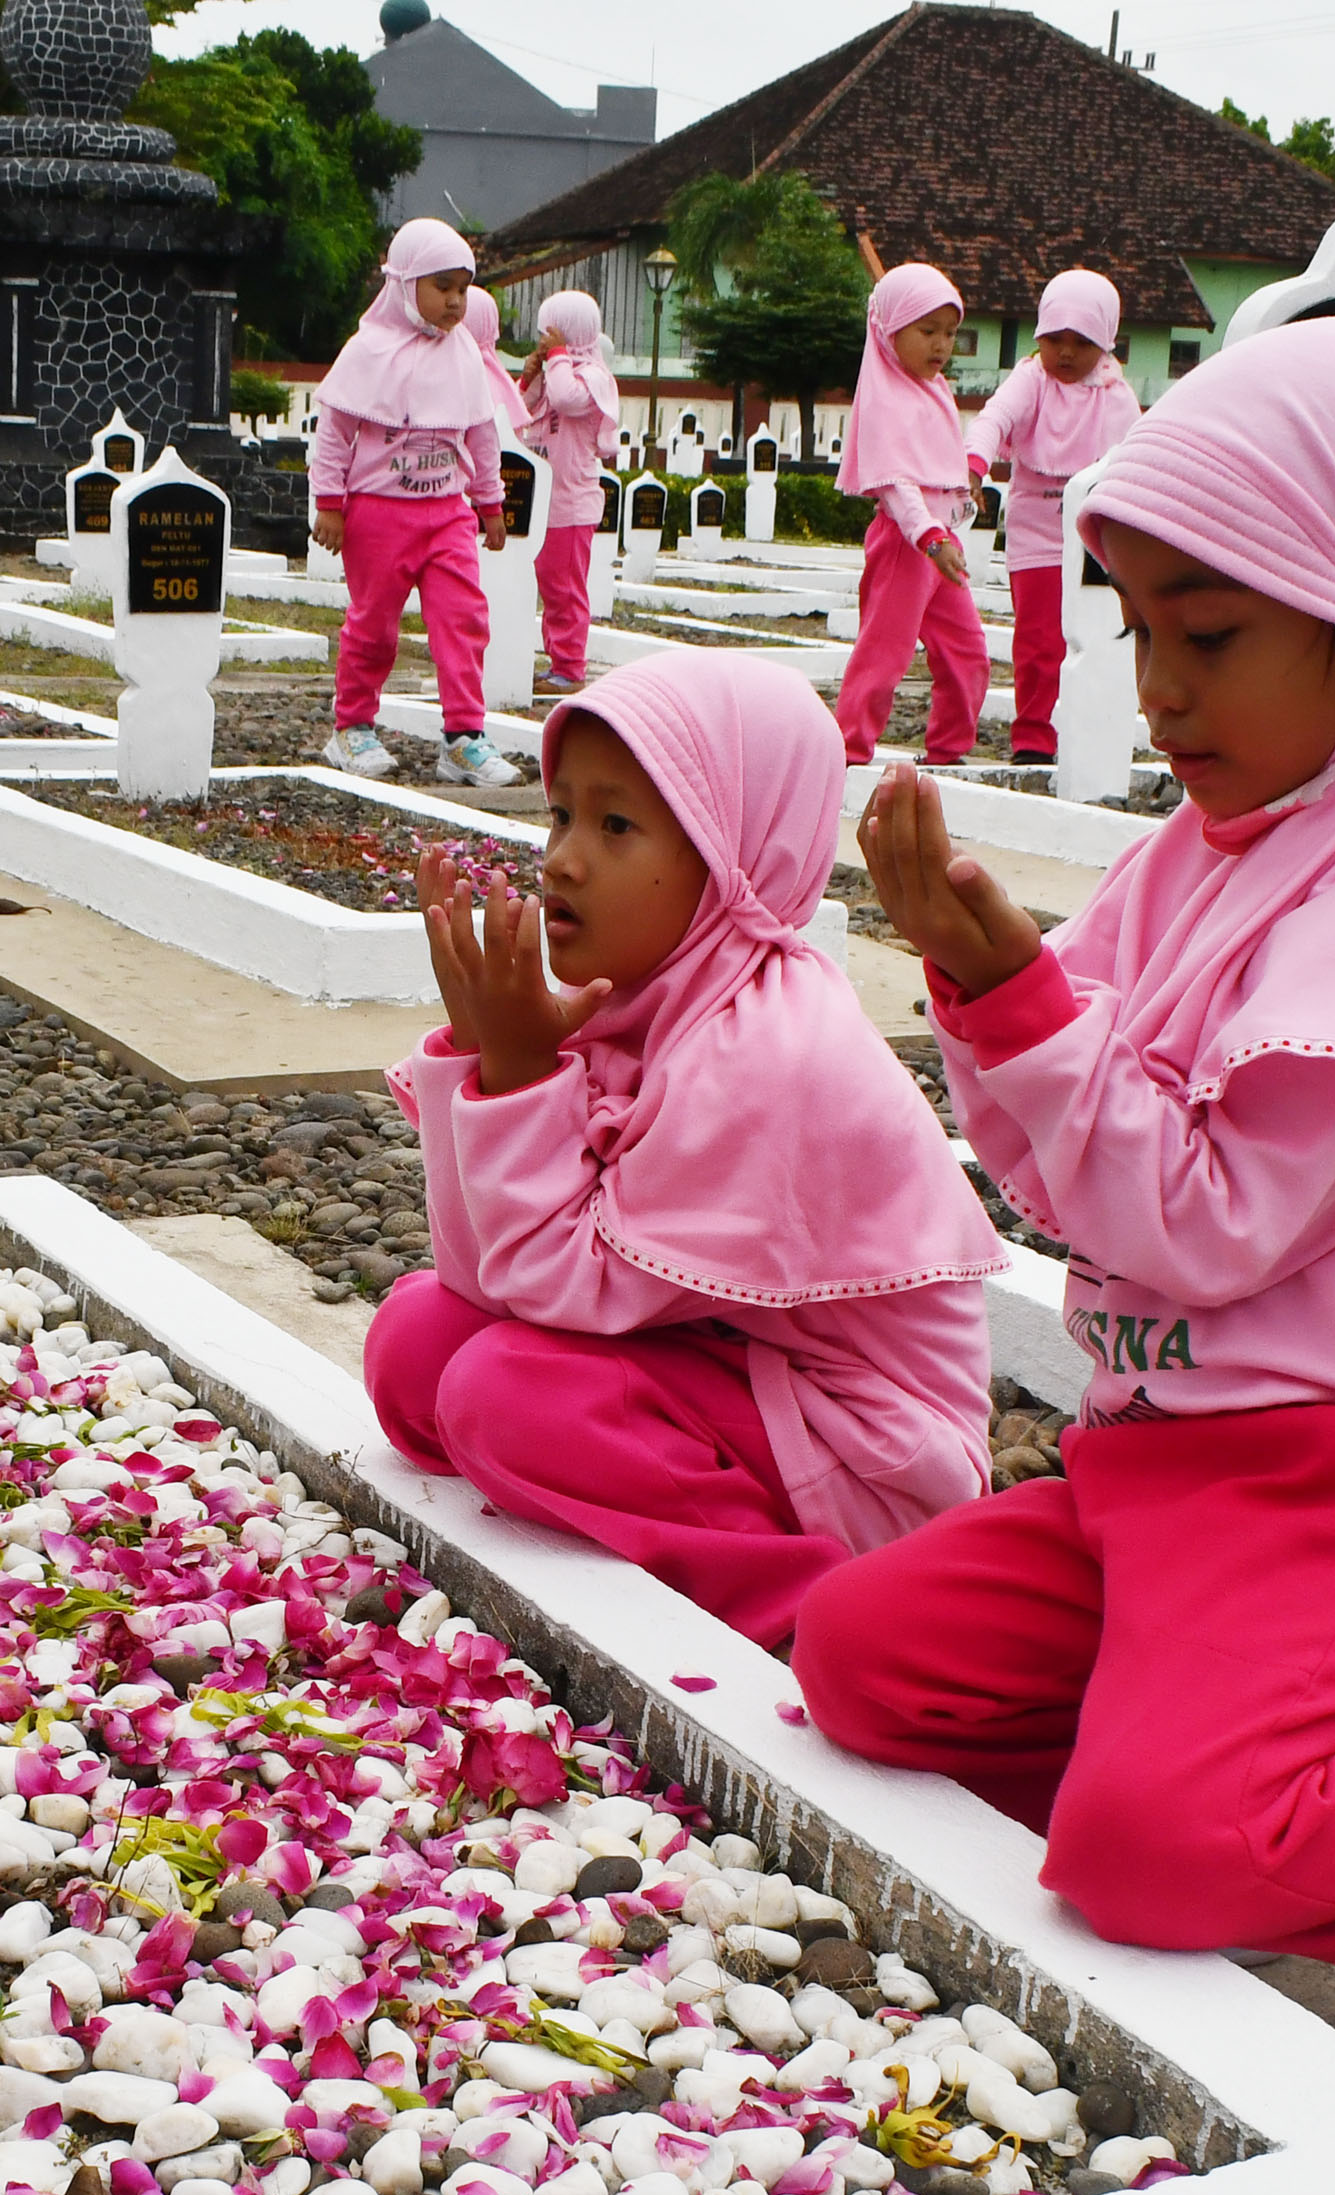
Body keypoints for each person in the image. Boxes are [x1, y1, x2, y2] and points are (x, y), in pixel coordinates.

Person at [804, 319, 1335, 2131]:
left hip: (1327, 1481)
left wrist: (1019, 1003)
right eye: (1135, 627)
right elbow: (1053, 1176)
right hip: (1148, 1466)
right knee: (862, 1662)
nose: (1164, 691)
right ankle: (1281, 1756)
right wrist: (997, 998)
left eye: (1213, 633)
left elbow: (1194, 1227)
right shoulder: (1208, 850)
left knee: (1150, 1855)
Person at [367, 649, 1004, 1650]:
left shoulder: (766, 1045)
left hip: (866, 1461)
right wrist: (486, 1058)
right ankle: (634, 1505)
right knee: (416, 1340)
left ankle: (804, 1611)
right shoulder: (643, 1000)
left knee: (503, 1393)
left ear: (731, 851)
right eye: (560, 814)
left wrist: (520, 1071)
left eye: (616, 825)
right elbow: (482, 1273)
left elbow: (548, 1287)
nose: (564, 859)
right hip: (729, 1374)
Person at [309, 218, 519, 790]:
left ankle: (464, 737)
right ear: (405, 284)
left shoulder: (464, 357)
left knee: (464, 619)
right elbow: (334, 431)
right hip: (378, 512)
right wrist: (330, 502)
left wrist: (490, 503)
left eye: (462, 289)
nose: (455, 302)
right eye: (442, 287)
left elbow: (480, 433)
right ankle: (352, 726)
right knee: (374, 626)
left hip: (447, 512)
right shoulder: (365, 351)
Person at [965, 270, 1139, 761]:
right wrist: (976, 464)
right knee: (1040, 638)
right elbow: (994, 419)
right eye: (1053, 339)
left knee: (1100, 631)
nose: (1064, 353)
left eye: (1081, 342)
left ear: (1105, 342)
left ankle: (1089, 727)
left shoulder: (1116, 394)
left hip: (1094, 531)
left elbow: (1137, 454)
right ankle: (1034, 738)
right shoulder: (1031, 380)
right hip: (1036, 530)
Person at [832, 262, 988, 767]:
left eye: (950, 333)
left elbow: (935, 460)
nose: (941, 345)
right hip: (909, 544)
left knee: (966, 649)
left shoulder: (934, 389)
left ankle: (948, 751)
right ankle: (849, 749)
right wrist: (931, 538)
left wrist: (961, 490)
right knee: (885, 652)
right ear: (890, 330)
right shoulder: (885, 397)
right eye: (927, 332)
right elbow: (897, 483)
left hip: (941, 541)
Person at [522, 290, 620, 697]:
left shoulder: (592, 377)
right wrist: (529, 376)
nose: (545, 340)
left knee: (566, 587)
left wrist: (558, 356)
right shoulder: (555, 371)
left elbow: (565, 398)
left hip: (571, 503)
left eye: (552, 332)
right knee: (548, 584)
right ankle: (555, 656)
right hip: (544, 501)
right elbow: (520, 411)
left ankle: (570, 663)